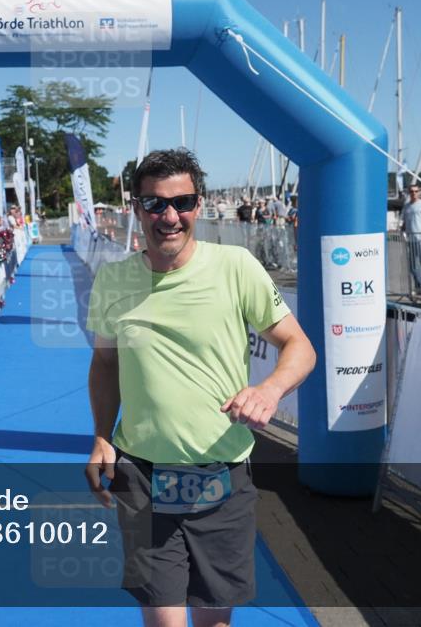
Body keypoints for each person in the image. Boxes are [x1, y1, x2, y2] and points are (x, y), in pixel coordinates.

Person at [85, 149, 316, 627]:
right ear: (136, 208)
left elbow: (299, 346)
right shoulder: (113, 280)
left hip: (221, 474)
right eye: (153, 204)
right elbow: (105, 365)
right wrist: (102, 436)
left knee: (213, 621)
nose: (169, 216)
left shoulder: (235, 266)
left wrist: (269, 389)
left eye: (182, 202)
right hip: (142, 476)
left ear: (200, 205)